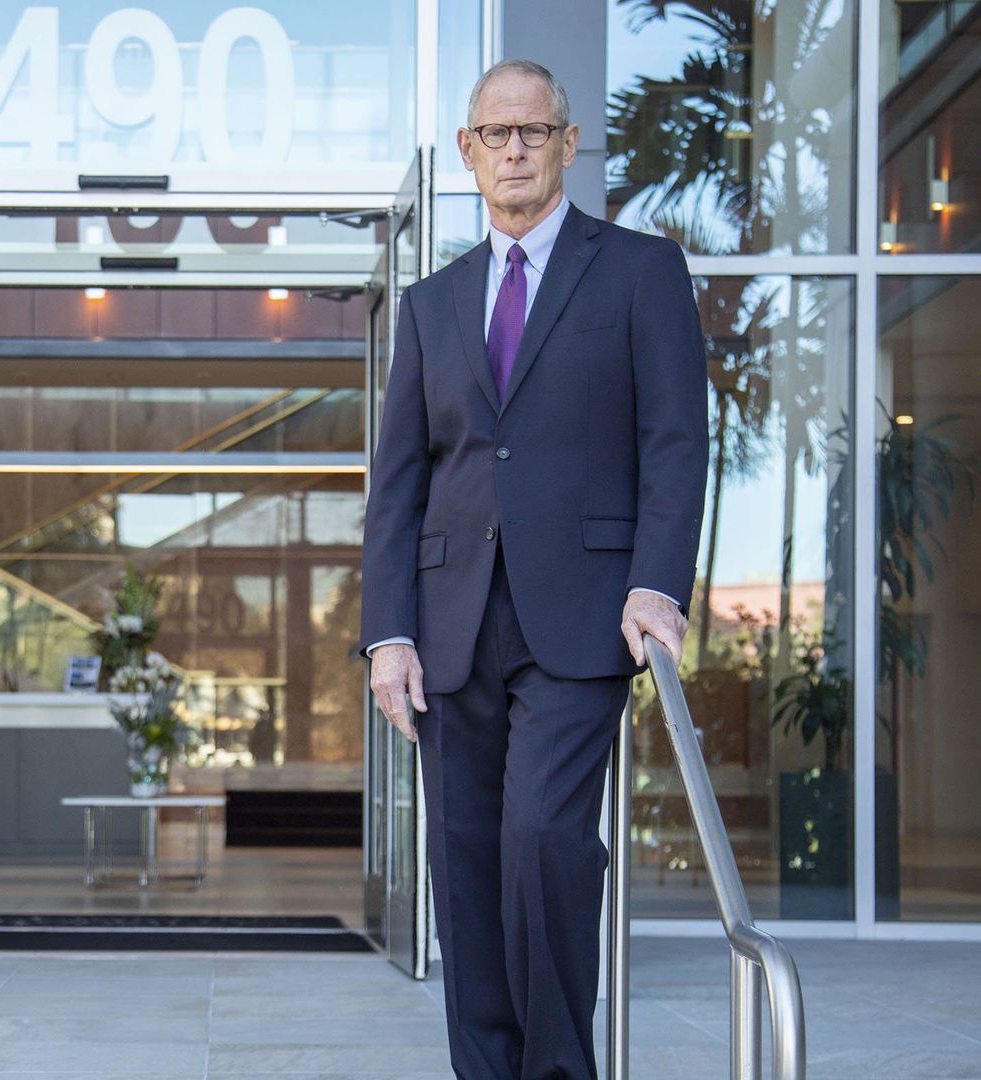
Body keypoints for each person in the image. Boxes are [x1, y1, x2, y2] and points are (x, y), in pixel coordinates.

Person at [356, 58, 708, 1080]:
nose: (514, 150)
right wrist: (389, 632)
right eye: (495, 135)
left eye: (533, 132)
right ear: (469, 152)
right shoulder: (429, 307)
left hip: (584, 617)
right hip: (450, 624)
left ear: (567, 142)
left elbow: (676, 441)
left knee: (546, 841)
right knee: (463, 867)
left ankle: (558, 1071)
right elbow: (399, 482)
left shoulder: (641, 272)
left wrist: (658, 583)